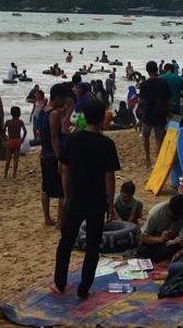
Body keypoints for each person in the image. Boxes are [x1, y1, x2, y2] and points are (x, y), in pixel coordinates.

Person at [54, 99, 120, 298]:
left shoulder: (72, 140)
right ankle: (84, 288)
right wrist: (110, 204)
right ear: (102, 118)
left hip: (75, 198)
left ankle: (60, 282)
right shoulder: (106, 144)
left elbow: (64, 169)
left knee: (66, 241)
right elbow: (109, 176)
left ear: (83, 116)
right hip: (97, 200)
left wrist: (66, 196)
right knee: (93, 246)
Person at [38, 83, 68, 226]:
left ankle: (47, 218)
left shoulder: (44, 110)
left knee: (46, 188)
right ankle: (60, 221)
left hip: (44, 153)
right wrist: (60, 158)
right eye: (63, 99)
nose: (64, 103)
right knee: (62, 190)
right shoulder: (54, 114)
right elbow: (54, 138)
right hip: (52, 155)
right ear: (58, 97)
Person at [137, 195, 183, 262]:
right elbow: (143, 237)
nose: (176, 219)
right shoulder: (156, 214)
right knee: (145, 250)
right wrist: (160, 239)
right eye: (173, 217)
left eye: (178, 217)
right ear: (168, 207)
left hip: (173, 241)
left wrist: (177, 239)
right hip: (155, 242)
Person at [138, 61, 171, 164]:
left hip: (147, 114)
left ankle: (148, 159)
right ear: (157, 69)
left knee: (146, 138)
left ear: (147, 71)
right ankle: (159, 159)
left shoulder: (144, 85)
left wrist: (140, 118)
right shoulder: (163, 83)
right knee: (159, 139)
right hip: (160, 113)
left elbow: (142, 102)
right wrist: (168, 112)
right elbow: (168, 100)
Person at [2, 106, 26, 179]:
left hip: (10, 141)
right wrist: (22, 139)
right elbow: (25, 131)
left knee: (8, 160)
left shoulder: (8, 122)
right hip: (17, 141)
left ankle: (5, 175)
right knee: (16, 159)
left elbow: (3, 130)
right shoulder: (20, 121)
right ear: (19, 114)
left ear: (11, 113)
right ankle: (14, 175)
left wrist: (5, 137)